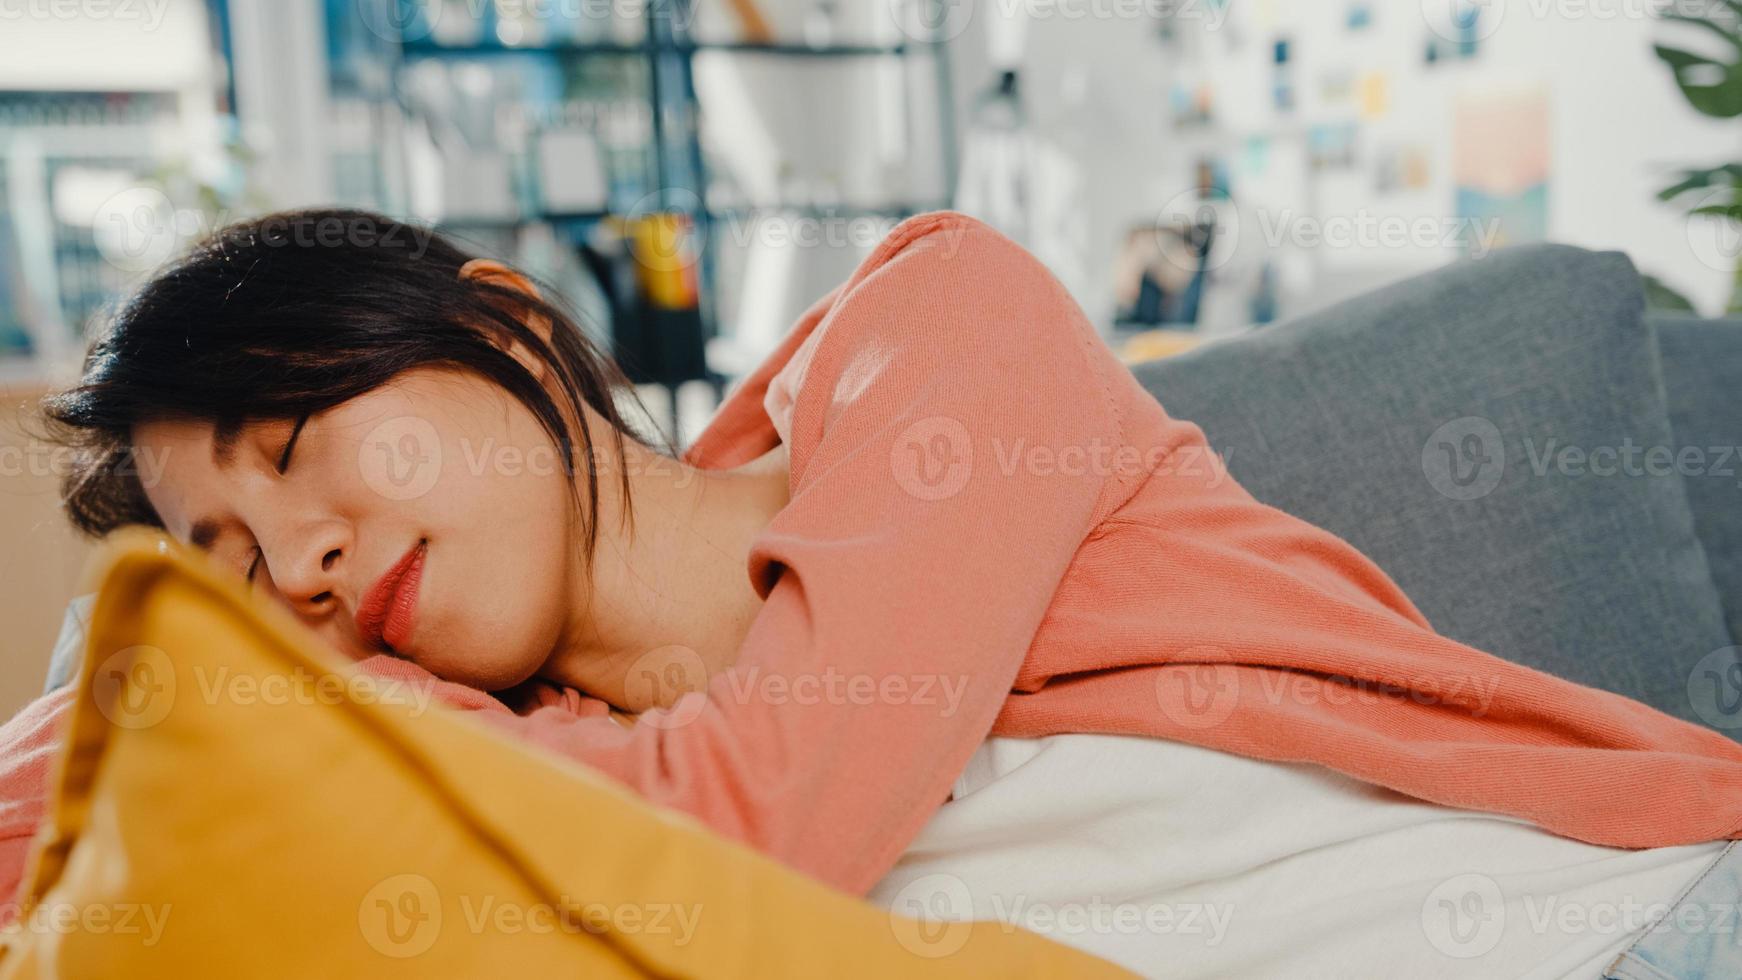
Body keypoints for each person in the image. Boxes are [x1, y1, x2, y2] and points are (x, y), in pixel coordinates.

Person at [3, 208, 1740, 976]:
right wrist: (178, 667)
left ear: (509, 326)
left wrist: (265, 686)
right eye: (231, 563)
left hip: (1628, 933)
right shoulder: (501, 739)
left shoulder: (927, 338)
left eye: (303, 442)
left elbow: (770, 814)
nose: (297, 566)